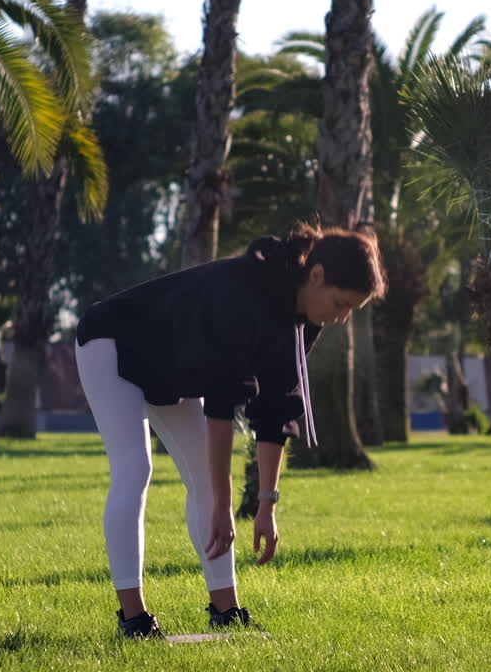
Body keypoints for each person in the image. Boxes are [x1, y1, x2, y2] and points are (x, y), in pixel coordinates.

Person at [73, 223, 385, 639]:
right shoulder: (244, 295)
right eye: (341, 303)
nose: (341, 317)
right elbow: (221, 409)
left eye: (351, 310)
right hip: (112, 342)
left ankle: (226, 610)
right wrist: (223, 507)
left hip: (174, 368)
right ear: (316, 276)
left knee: (203, 480)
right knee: (135, 470)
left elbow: (276, 409)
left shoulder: (304, 318)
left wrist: (267, 505)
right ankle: (134, 619)